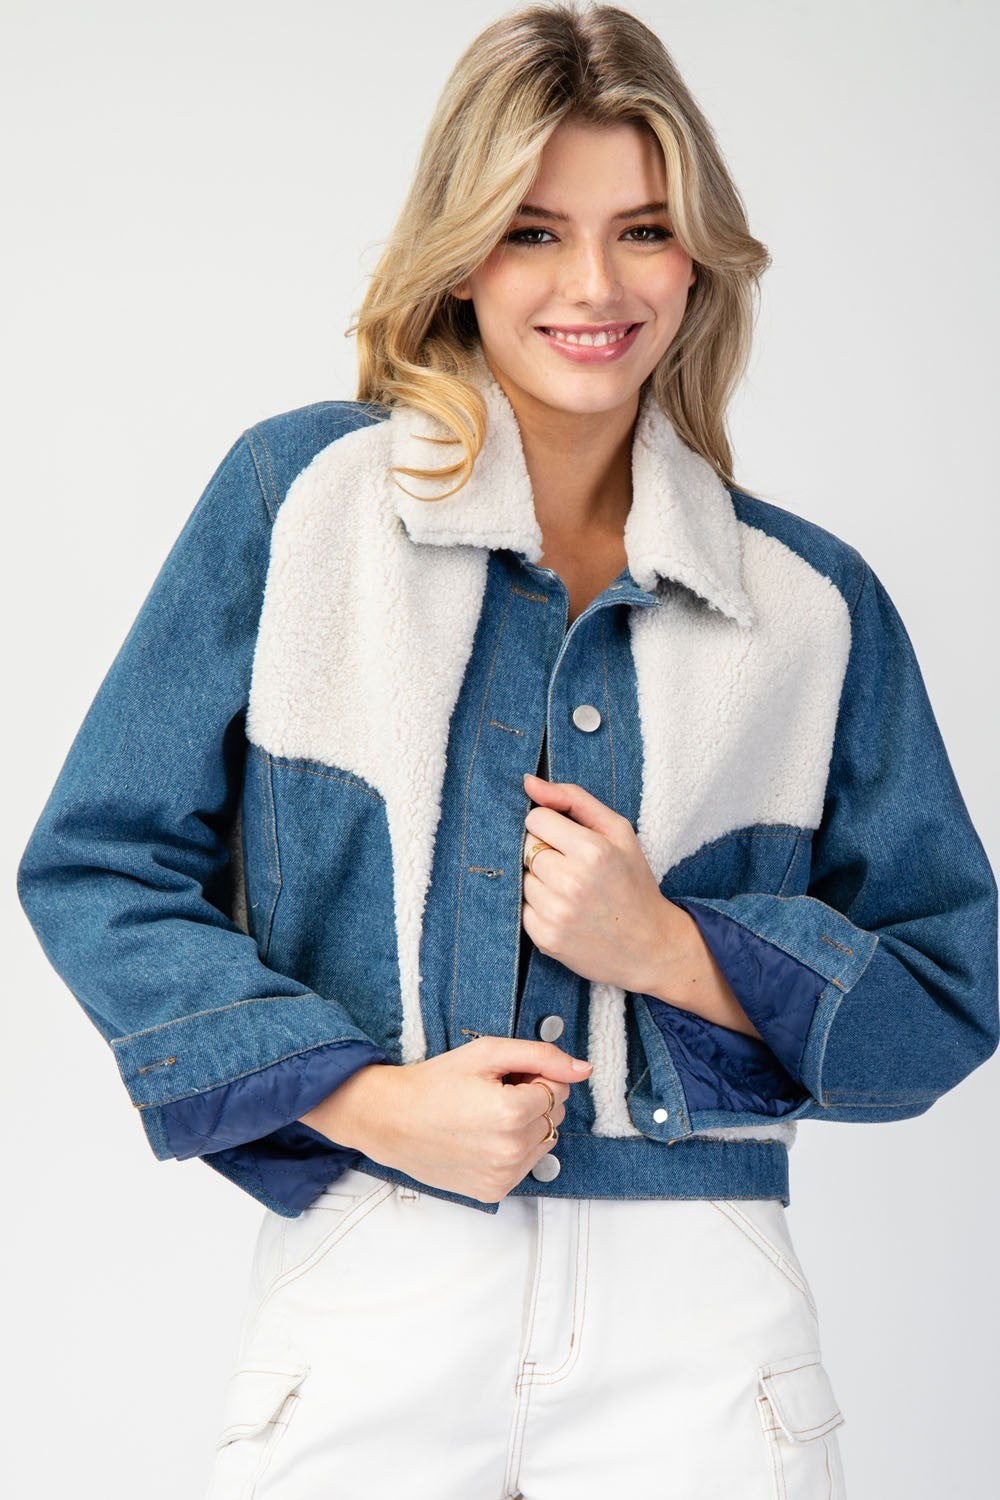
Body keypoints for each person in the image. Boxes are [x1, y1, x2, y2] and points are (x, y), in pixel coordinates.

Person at [15, 3, 998, 1496]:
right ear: (461, 253)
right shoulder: (304, 506)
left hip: (701, 1298)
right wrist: (374, 1104)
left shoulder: (810, 603)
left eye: (643, 231)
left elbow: (946, 995)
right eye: (535, 232)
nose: (595, 286)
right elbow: (100, 868)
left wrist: (673, 948)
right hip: (378, 1263)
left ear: (696, 260)